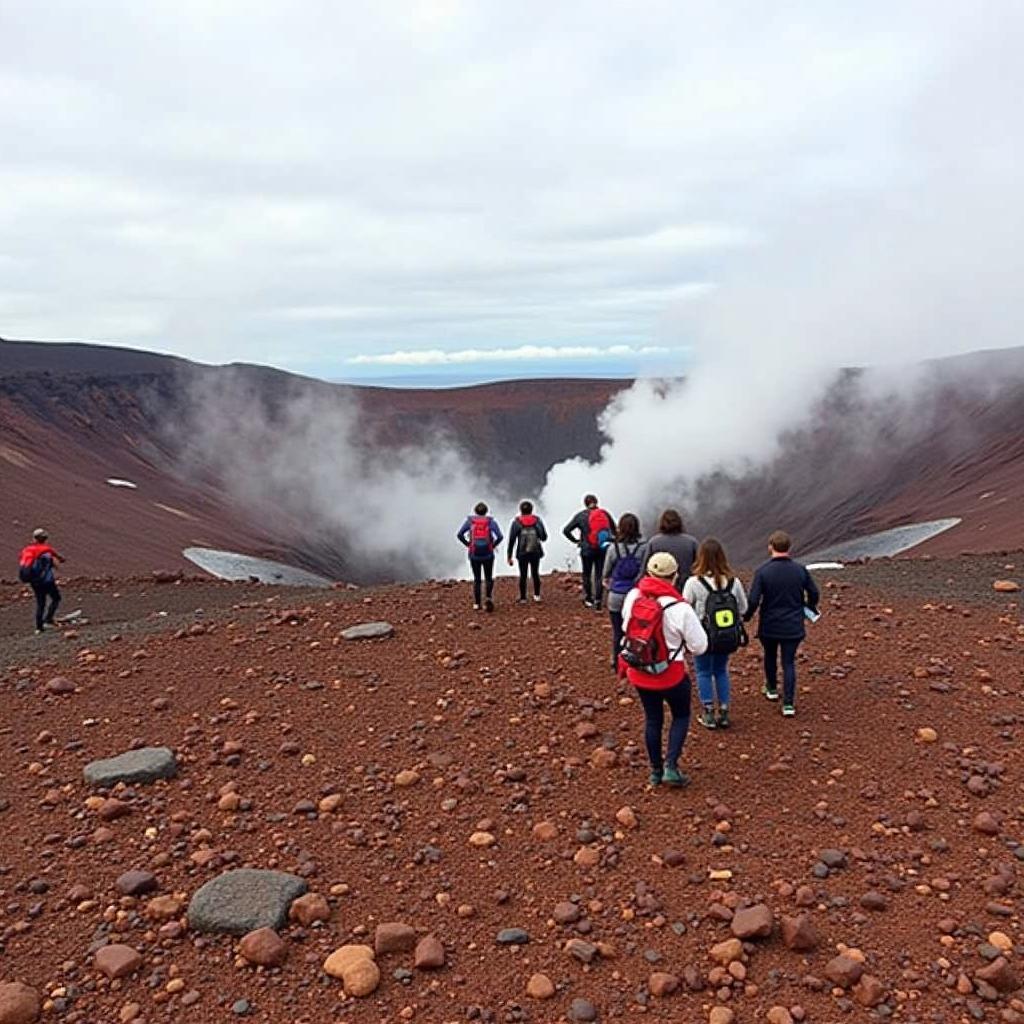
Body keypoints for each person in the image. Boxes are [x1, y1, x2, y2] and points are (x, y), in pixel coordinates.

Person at [620, 552, 708, 787]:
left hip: (640, 672)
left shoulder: (633, 597)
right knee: (681, 715)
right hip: (671, 674)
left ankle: (655, 771)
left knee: (652, 719)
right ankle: (671, 766)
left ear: (649, 574)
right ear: (675, 576)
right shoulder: (680, 608)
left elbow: (625, 625)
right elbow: (700, 646)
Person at [744, 530, 820, 717]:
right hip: (793, 624)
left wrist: (746, 617)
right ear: (789, 547)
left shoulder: (763, 571)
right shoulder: (800, 570)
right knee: (788, 662)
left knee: (770, 656)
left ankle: (771, 689)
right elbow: (814, 592)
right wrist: (809, 607)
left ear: (770, 547)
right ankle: (788, 704)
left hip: (770, 624)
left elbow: (753, 599)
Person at [682, 537, 748, 730]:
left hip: (702, 635)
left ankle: (709, 712)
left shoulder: (694, 582)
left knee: (703, 671)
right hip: (726, 636)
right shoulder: (733, 582)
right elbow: (742, 608)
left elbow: (685, 608)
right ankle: (725, 711)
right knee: (720, 670)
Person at [602, 512, 648, 669]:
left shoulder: (613, 548)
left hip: (616, 596)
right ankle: (636, 661)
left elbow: (606, 572)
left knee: (617, 631)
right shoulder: (644, 547)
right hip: (637, 596)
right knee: (636, 631)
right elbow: (645, 570)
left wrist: (609, 584)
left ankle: (617, 662)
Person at [562, 494, 616, 611]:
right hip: (602, 548)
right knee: (599, 574)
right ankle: (598, 600)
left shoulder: (580, 516)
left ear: (585, 504)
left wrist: (576, 541)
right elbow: (614, 530)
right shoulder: (604, 514)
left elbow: (566, 530)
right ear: (597, 502)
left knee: (586, 574)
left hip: (586, 549)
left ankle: (588, 599)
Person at [457, 502, 503, 612]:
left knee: (477, 579)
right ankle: (488, 598)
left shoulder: (470, 522)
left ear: (475, 511)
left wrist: (468, 544)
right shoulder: (490, 522)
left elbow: (459, 534)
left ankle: (477, 603)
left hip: (474, 554)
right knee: (488, 577)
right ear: (486, 511)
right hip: (488, 554)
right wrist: (493, 546)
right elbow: (500, 536)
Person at [19, 528, 66, 635]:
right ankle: (49, 618)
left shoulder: (27, 550)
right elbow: (56, 561)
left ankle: (39, 627)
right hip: (47, 581)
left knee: (41, 603)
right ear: (45, 538)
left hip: (34, 581)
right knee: (56, 598)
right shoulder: (46, 550)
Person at [506, 500, 548, 603]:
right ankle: (537, 595)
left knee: (523, 574)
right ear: (532, 509)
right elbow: (544, 537)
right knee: (535, 573)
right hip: (536, 551)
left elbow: (512, 540)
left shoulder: (516, 522)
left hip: (522, 552)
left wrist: (509, 556)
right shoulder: (537, 521)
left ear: (520, 510)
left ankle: (523, 597)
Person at [644, 509, 699, 586]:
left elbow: (644, 570)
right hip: (686, 589)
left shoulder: (653, 543)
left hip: (659, 589)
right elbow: (699, 569)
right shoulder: (692, 543)